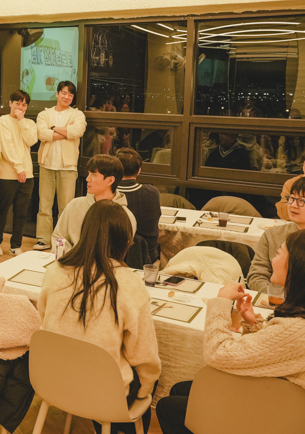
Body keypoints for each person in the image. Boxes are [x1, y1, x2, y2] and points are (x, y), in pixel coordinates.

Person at [156, 230, 305, 434]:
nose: (273, 259)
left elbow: (217, 353)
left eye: (279, 253)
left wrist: (222, 301)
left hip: (279, 414)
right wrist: (252, 324)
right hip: (279, 394)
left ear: (296, 266)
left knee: (168, 408)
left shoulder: (296, 328)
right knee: (180, 390)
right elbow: (270, 355)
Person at [39, 201, 160, 434]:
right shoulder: (128, 284)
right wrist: (146, 389)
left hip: (53, 381)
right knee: (148, 375)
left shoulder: (54, 271)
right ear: (124, 241)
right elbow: (144, 355)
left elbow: (44, 322)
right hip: (103, 392)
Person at [35, 81, 86, 250]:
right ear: (57, 94)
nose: (67, 97)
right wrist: (65, 132)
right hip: (46, 164)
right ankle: (43, 239)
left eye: (70, 94)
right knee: (44, 205)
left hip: (68, 166)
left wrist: (54, 128)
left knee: (66, 206)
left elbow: (77, 132)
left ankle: (62, 240)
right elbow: (42, 134)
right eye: (64, 93)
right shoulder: (45, 114)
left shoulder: (77, 115)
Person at [53, 154, 137, 252]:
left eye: (94, 175)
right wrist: (72, 257)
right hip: (71, 259)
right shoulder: (74, 205)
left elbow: (119, 252)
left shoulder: (126, 216)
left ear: (110, 180)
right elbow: (58, 237)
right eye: (88, 173)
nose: (87, 179)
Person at [0, 90, 38, 256]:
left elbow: (31, 140)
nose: (20, 107)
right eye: (17, 103)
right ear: (10, 103)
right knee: (2, 210)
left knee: (21, 213)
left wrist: (21, 121)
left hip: (28, 175)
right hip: (7, 174)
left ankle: (16, 245)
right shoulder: (3, 121)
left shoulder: (29, 123)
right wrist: (19, 167)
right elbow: (6, 147)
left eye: (24, 104)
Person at [249, 177, 305, 292]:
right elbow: (256, 276)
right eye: (291, 198)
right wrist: (278, 296)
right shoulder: (272, 234)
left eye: (302, 201)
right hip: (274, 299)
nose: (293, 205)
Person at [115, 148, 161, 263]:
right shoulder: (152, 192)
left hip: (119, 257)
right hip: (150, 256)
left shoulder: (111, 194)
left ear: (115, 170)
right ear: (139, 170)